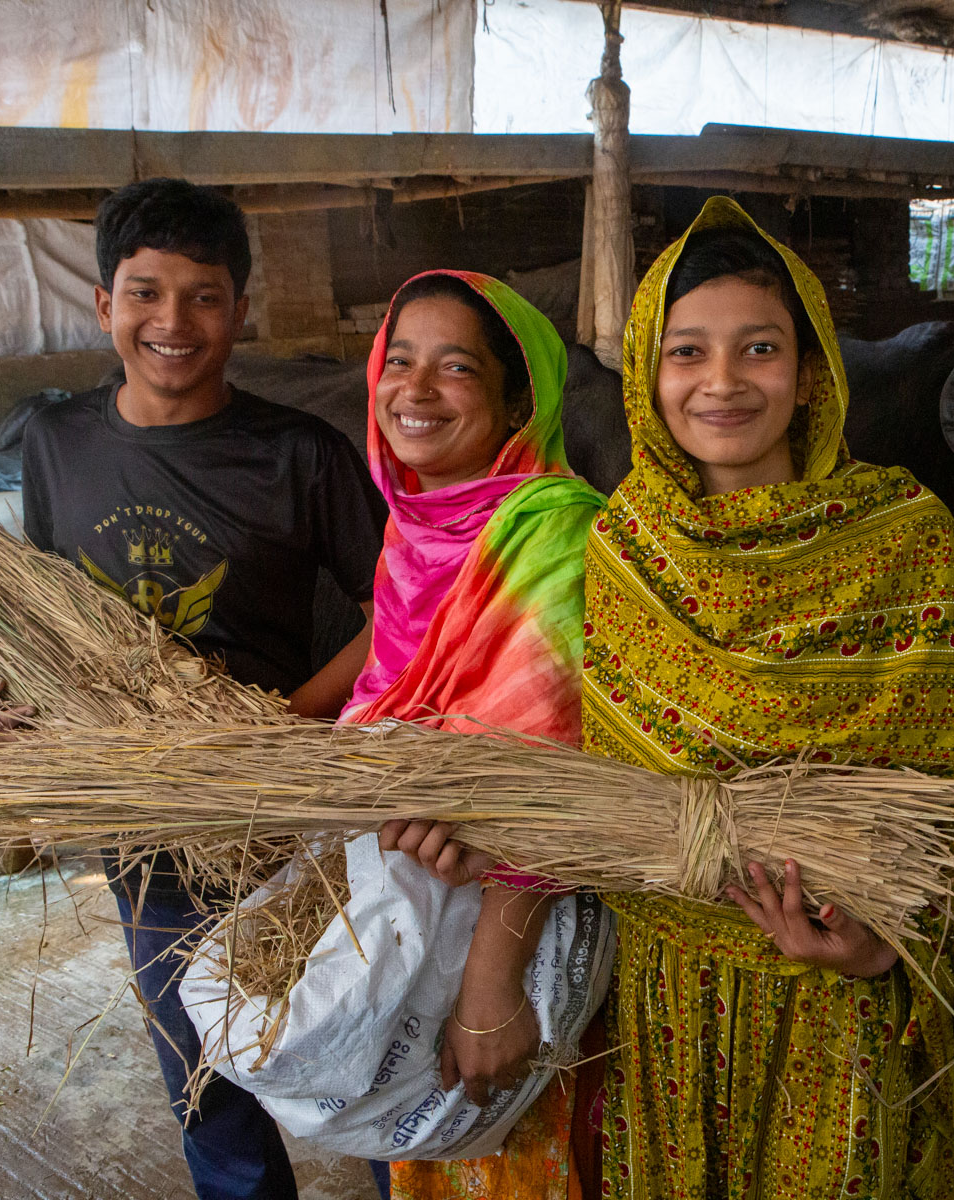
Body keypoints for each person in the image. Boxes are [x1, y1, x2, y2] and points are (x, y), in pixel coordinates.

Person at [580, 196, 954, 1198]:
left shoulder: (900, 536)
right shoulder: (626, 547)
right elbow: (613, 778)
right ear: (645, 373)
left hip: (833, 1003)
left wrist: (890, 936)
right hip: (671, 997)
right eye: (686, 353)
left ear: (809, 375)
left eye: (758, 350)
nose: (720, 382)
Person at [0, 178, 390, 1200]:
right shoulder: (56, 442)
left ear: (241, 312)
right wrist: (17, 691)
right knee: (199, 1060)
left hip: (285, 809)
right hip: (145, 819)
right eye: (145, 292)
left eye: (203, 296)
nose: (172, 321)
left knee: (354, 1035)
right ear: (106, 304)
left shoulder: (300, 454)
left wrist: (284, 723)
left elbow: (404, 613)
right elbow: (53, 610)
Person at [350, 271, 607, 1200]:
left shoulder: (552, 533)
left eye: (454, 368)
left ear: (514, 402)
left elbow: (540, 782)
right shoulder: (413, 528)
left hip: (512, 936)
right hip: (423, 918)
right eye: (400, 361)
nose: (415, 391)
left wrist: (492, 990)